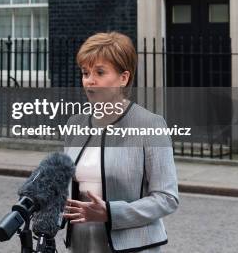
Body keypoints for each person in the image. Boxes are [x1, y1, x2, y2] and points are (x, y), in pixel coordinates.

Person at [61, 32, 179, 252]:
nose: (90, 80)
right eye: (85, 73)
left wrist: (111, 213)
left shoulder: (150, 125)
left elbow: (167, 198)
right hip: (82, 244)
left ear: (123, 78)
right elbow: (67, 187)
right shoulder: (74, 123)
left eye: (100, 72)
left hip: (132, 247)